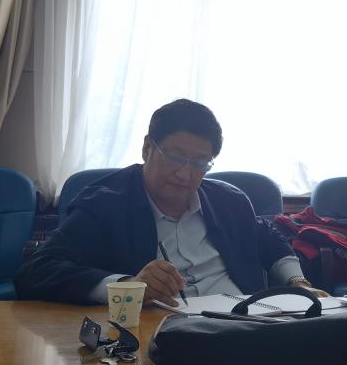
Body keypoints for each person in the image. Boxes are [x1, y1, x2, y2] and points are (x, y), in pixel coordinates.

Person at [16, 99, 324, 305]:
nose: (185, 174)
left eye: (200, 163)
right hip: (155, 335)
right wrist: (129, 287)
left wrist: (297, 281)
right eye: (175, 157)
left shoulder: (229, 201)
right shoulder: (104, 203)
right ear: (147, 148)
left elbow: (270, 239)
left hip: (241, 330)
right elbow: (37, 271)